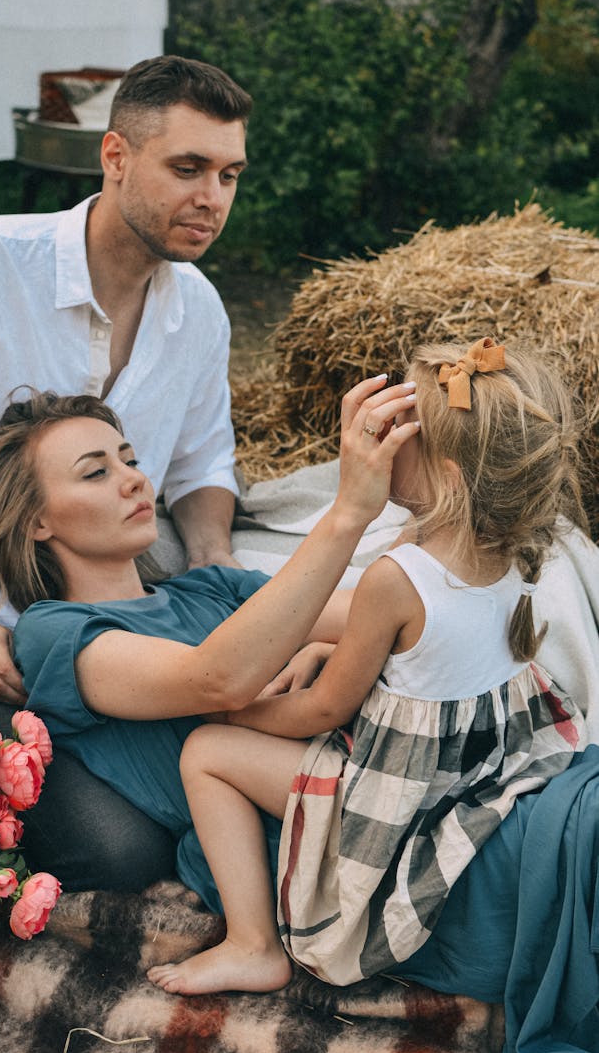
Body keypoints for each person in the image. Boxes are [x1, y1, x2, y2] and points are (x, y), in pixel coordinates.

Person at [0, 54, 253, 889]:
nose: (211, 197)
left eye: (228, 174)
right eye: (187, 168)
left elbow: (204, 460)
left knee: (204, 789)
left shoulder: (200, 308)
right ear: (114, 158)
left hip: (104, 632)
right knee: (123, 847)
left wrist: (213, 561)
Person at [144, 337, 588, 997]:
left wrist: (232, 708)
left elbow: (325, 709)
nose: (379, 442)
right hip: (481, 759)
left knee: (208, 753)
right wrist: (327, 648)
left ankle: (251, 944)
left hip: (405, 795)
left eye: (398, 431)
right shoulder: (522, 538)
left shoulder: (395, 575)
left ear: (446, 472)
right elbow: (431, 651)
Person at [0, 376, 418, 897]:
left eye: (129, 461)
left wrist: (419, 482)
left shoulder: (210, 587)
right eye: (96, 473)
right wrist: (349, 511)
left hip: (380, 803)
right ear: (37, 521)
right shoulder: (53, 633)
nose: (133, 480)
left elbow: (392, 607)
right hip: (304, 869)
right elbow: (218, 679)